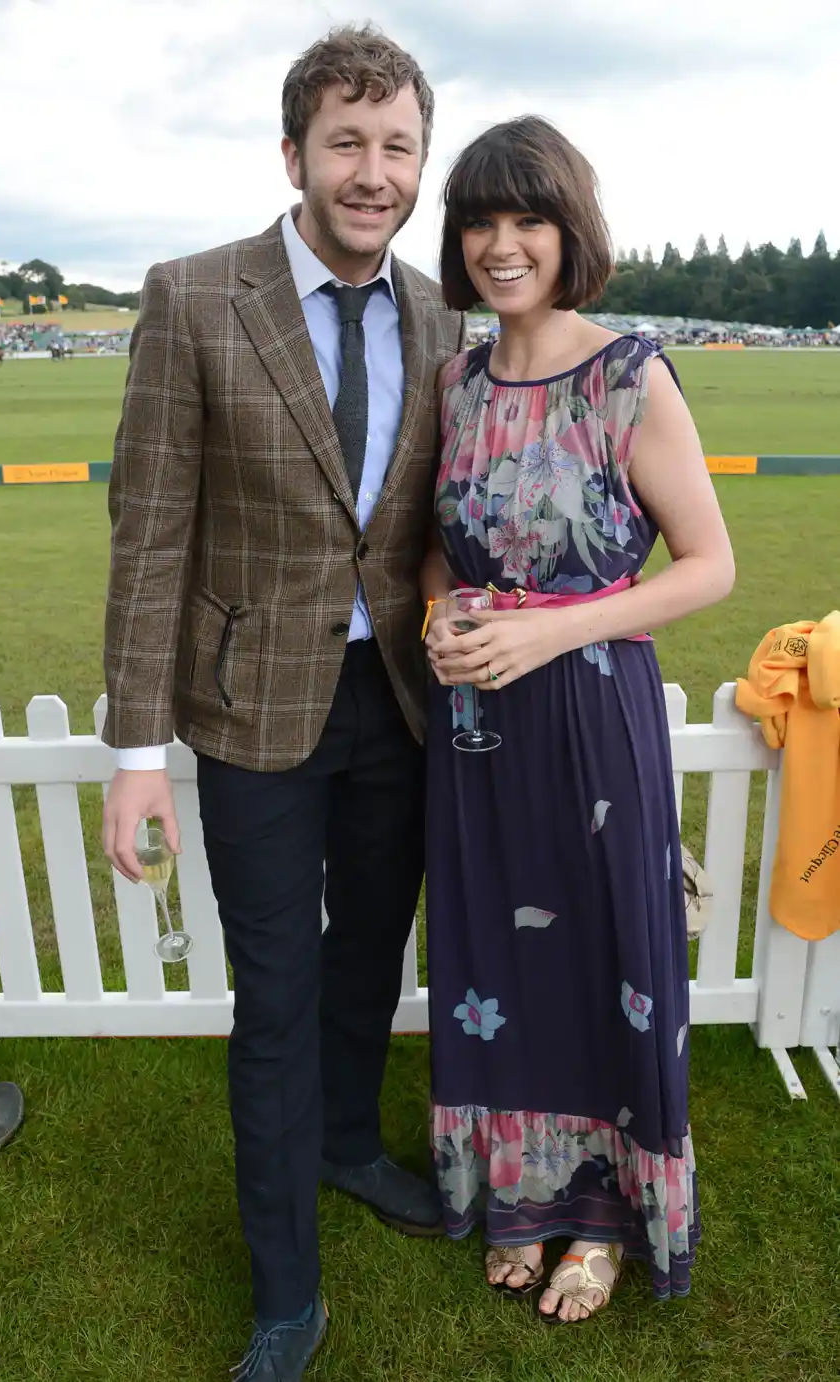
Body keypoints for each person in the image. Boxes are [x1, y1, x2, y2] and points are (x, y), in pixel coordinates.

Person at [100, 24, 465, 1381]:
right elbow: (148, 535)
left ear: (416, 162)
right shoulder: (193, 296)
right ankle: (284, 1290)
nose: (370, 173)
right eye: (345, 144)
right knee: (279, 991)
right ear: (293, 153)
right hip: (250, 706)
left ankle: (348, 1141)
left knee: (371, 952)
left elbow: (434, 517)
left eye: (395, 148)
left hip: (397, 699)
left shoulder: (439, 314)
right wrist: (137, 751)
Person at [421, 116, 735, 1323]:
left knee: (609, 961)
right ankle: (520, 1195)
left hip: (591, 718)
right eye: (479, 223)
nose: (501, 246)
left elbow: (705, 565)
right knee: (495, 962)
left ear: (568, 231)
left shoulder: (627, 372)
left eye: (526, 220)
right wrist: (437, 620)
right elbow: (430, 558)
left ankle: (600, 1218)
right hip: (476, 738)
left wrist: (554, 626)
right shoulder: (455, 380)